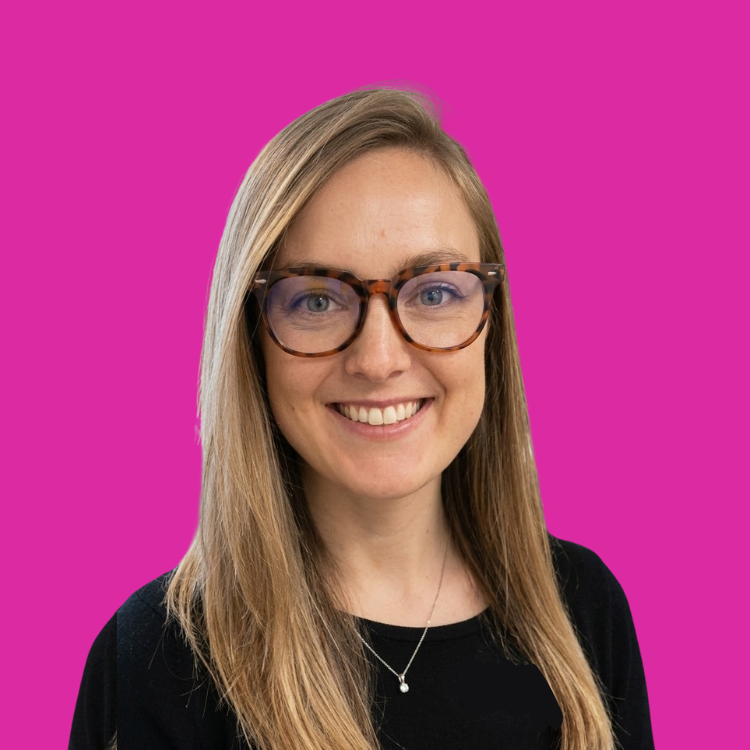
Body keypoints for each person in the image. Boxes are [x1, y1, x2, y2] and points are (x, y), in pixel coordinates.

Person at [70, 88, 654, 750]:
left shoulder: (585, 607)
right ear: (251, 338)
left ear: (491, 324)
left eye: (436, 291)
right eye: (317, 300)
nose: (378, 360)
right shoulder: (153, 660)